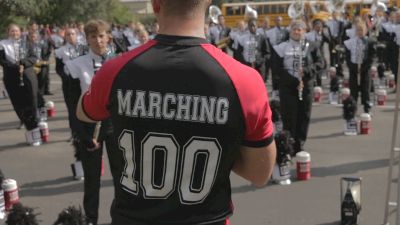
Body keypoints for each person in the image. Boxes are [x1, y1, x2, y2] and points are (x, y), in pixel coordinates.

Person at [76, 0, 276, 224]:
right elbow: (260, 174)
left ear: (155, 4)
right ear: (209, 3)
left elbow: (84, 112)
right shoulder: (245, 81)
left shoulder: (114, 70)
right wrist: (221, 146)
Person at [65, 20, 117, 225]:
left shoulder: (117, 62)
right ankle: (90, 220)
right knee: (92, 180)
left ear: (108, 37)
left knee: (122, 177)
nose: (98, 40)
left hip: (114, 126)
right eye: (93, 36)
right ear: (87, 39)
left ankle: (121, 218)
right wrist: (82, 135)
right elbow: (72, 106)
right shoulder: (75, 66)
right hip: (89, 128)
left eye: (102, 35)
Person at [273, 20, 324, 154]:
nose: (297, 32)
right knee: (289, 116)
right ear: (290, 31)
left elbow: (320, 63)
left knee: (304, 115)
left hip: (306, 86)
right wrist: (293, 81)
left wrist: (307, 71)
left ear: (304, 31)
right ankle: (288, 144)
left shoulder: (311, 46)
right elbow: (277, 68)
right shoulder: (281, 47)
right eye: (294, 29)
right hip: (288, 87)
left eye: (300, 29)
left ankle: (299, 144)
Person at [0, 24, 41, 145]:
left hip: (28, 76)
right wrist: (16, 67)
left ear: (20, 32)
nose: (15, 33)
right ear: (8, 32)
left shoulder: (26, 43)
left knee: (32, 102)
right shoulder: (2, 44)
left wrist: (23, 63)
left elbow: (34, 58)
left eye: (17, 31)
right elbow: (2, 61)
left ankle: (34, 128)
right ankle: (29, 126)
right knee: (19, 104)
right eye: (12, 31)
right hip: (11, 77)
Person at [344, 22, 375, 114]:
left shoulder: (369, 41)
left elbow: (371, 56)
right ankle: (353, 108)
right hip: (353, 68)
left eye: (362, 30)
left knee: (365, 89)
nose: (360, 32)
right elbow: (347, 56)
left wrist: (365, 66)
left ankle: (367, 107)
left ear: (365, 31)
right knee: (353, 89)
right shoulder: (350, 42)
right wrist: (352, 66)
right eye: (358, 30)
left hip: (365, 68)